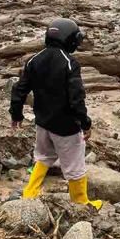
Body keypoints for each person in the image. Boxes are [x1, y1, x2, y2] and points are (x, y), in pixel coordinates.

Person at [9, 19, 102, 209]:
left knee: (43, 157)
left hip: (43, 123)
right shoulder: (69, 63)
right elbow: (76, 98)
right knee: (75, 166)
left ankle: (29, 194)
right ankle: (82, 203)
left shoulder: (34, 60)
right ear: (69, 39)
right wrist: (85, 123)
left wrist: (16, 114)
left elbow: (19, 90)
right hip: (66, 127)